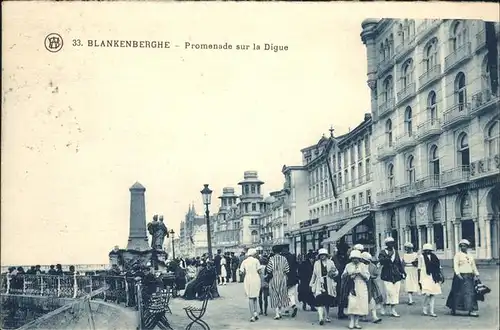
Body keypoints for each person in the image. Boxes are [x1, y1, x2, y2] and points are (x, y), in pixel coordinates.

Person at [446, 239, 480, 317]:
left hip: (469, 276)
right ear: (460, 247)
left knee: (470, 293)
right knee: (457, 292)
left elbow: (473, 265)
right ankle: (454, 308)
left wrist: (476, 273)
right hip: (460, 276)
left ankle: (471, 310)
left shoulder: (470, 255)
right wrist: (458, 274)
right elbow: (455, 265)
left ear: (467, 247)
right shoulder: (457, 255)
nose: (463, 247)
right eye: (462, 246)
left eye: (465, 246)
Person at [378, 236, 405, 317]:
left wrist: (403, 272)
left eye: (392, 243)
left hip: (396, 275)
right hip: (387, 274)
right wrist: (388, 259)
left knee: (395, 292)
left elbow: (399, 263)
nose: (391, 245)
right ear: (386, 244)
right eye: (389, 243)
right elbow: (381, 261)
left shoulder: (396, 252)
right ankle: (384, 306)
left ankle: (393, 309)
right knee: (388, 292)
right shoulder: (382, 252)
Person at [310, 248, 338, 325]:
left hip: (328, 283)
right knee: (319, 300)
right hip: (319, 283)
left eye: (324, 255)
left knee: (327, 301)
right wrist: (311, 283)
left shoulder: (331, 262)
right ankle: (320, 318)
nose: (322, 256)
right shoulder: (316, 263)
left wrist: (333, 274)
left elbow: (336, 271)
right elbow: (314, 274)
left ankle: (327, 315)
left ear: (326, 255)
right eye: (321, 255)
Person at [342, 250, 370, 329]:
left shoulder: (363, 266)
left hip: (361, 285)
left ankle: (357, 322)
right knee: (352, 303)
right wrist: (350, 274)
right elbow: (343, 276)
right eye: (353, 258)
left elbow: (367, 277)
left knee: (359, 304)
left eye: (356, 258)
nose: (355, 260)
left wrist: (360, 273)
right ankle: (351, 321)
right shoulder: (348, 266)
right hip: (351, 285)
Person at [418, 243, 443, 317]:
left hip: (434, 276)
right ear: (424, 251)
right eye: (426, 250)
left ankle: (432, 311)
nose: (428, 251)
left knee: (433, 294)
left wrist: (441, 275)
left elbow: (439, 267)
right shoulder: (421, 257)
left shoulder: (434, 257)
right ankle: (425, 307)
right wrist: (419, 279)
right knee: (427, 293)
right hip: (425, 276)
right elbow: (419, 268)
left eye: (429, 250)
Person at [266, 245, 290, 320]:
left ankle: (277, 313)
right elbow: (287, 270)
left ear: (273, 251)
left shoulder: (271, 259)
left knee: (274, 295)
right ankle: (279, 311)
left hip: (273, 278)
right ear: (280, 251)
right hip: (282, 278)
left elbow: (269, 270)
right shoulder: (284, 258)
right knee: (281, 294)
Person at [239, 248, 262, 322]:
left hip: (248, 279)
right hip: (256, 278)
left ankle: (252, 315)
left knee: (250, 297)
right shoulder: (256, 261)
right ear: (254, 254)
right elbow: (260, 271)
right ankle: (255, 313)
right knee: (255, 297)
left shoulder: (244, 261)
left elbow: (241, 272)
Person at [361, 252, 383, 324]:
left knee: (372, 300)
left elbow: (376, 274)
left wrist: (371, 276)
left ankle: (374, 316)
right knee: (363, 300)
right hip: (361, 284)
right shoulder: (360, 266)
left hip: (371, 285)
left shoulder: (372, 266)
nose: (367, 262)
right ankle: (363, 315)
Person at [281, 245, 299, 317]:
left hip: (284, 278)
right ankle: (293, 305)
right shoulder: (293, 256)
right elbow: (296, 266)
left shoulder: (281, 257)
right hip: (293, 278)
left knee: (284, 295)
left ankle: (286, 309)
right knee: (291, 294)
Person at [332, 242, 349, 319]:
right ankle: (340, 312)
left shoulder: (347, 257)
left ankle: (341, 311)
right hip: (338, 279)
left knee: (343, 295)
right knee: (340, 295)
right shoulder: (335, 258)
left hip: (345, 278)